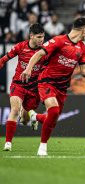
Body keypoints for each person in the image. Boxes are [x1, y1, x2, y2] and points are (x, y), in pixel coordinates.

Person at [20, 17, 85, 155]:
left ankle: (35, 117)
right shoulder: (59, 40)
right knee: (53, 111)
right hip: (47, 80)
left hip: (62, 87)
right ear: (83, 30)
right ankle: (42, 148)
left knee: (52, 120)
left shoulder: (82, 47)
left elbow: (84, 71)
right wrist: (29, 69)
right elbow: (39, 53)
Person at [1, 23, 46, 151]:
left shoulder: (45, 51)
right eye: (38, 37)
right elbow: (3, 60)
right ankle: (8, 143)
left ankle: (28, 117)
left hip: (34, 89)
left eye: (43, 37)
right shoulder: (21, 47)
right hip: (18, 84)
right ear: (31, 36)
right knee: (14, 109)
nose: (41, 40)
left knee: (25, 120)